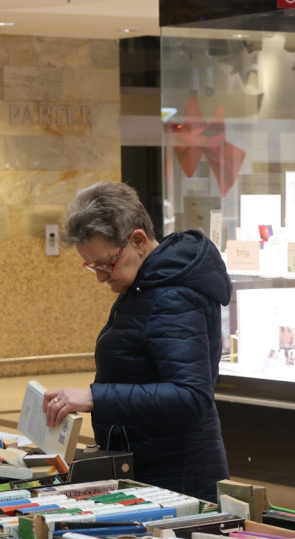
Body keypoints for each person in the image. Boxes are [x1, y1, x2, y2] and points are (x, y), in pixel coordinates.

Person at [42, 181, 231, 502]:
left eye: (106, 263)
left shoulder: (172, 295)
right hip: (151, 464)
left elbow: (192, 395)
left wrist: (94, 397)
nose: (101, 276)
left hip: (178, 477)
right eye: (92, 266)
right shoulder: (145, 286)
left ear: (138, 240)